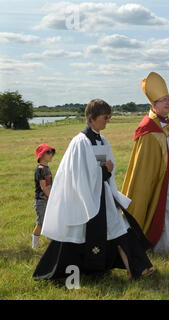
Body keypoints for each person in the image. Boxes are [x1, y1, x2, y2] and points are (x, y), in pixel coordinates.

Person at [33, 99, 153, 280]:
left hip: (102, 194)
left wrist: (106, 172)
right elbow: (81, 173)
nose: (107, 121)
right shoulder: (80, 142)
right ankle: (57, 272)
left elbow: (103, 168)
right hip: (85, 197)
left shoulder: (102, 140)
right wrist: (105, 170)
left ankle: (137, 268)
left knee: (119, 227)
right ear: (91, 118)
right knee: (76, 235)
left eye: (108, 117)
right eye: (105, 117)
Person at [122, 72, 169, 253]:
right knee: (165, 208)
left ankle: (167, 240)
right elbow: (147, 163)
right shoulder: (148, 128)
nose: (168, 103)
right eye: (164, 100)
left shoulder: (165, 122)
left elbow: (168, 151)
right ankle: (161, 245)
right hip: (158, 179)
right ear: (153, 104)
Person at [32, 144, 55, 249]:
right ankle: (35, 245)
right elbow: (44, 187)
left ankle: (52, 244)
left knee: (50, 221)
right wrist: (52, 198)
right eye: (48, 152)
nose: (51, 155)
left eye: (52, 152)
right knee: (40, 223)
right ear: (41, 155)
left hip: (48, 199)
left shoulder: (47, 168)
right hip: (42, 201)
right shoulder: (41, 169)